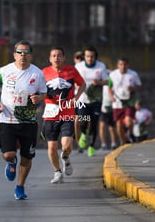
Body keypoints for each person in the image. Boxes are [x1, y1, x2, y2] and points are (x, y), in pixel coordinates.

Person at [0, 40, 47, 200]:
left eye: (26, 52)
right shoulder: (4, 71)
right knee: (8, 154)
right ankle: (12, 161)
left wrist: (38, 98)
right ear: (14, 55)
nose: (23, 55)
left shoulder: (37, 73)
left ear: (31, 55)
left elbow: (43, 93)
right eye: (20, 52)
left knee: (27, 157)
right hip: (8, 118)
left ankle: (20, 187)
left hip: (28, 121)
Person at [41, 47, 85, 184]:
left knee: (66, 145)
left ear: (64, 57)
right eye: (54, 55)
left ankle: (65, 157)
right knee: (52, 146)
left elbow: (82, 84)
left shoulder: (71, 70)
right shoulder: (43, 73)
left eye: (59, 55)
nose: (56, 58)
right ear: (50, 58)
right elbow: (37, 89)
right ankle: (57, 172)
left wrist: (76, 97)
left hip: (67, 112)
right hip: (50, 114)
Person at [75, 46, 109, 157]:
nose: (90, 59)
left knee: (94, 124)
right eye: (87, 56)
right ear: (84, 57)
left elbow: (107, 82)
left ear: (95, 57)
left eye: (92, 56)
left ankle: (91, 147)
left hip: (96, 100)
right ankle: (84, 134)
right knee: (82, 120)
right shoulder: (79, 66)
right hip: (82, 99)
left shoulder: (101, 66)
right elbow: (74, 81)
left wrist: (98, 82)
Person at [108, 57, 142, 145]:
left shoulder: (133, 74)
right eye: (120, 64)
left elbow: (139, 86)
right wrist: (111, 96)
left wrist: (133, 88)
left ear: (128, 65)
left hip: (129, 100)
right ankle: (123, 142)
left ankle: (129, 133)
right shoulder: (113, 74)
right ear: (117, 65)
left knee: (129, 121)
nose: (123, 67)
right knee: (118, 125)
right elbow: (109, 87)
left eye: (124, 65)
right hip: (117, 101)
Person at [98, 83, 118, 150]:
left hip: (112, 107)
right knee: (102, 126)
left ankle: (114, 144)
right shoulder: (101, 85)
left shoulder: (113, 81)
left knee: (111, 128)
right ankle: (103, 144)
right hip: (102, 108)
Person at [73, 50, 85, 152]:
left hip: (83, 99)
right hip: (73, 100)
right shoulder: (72, 70)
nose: (79, 60)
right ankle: (79, 144)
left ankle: (85, 138)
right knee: (76, 122)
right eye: (78, 58)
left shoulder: (85, 69)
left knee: (81, 121)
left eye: (81, 58)